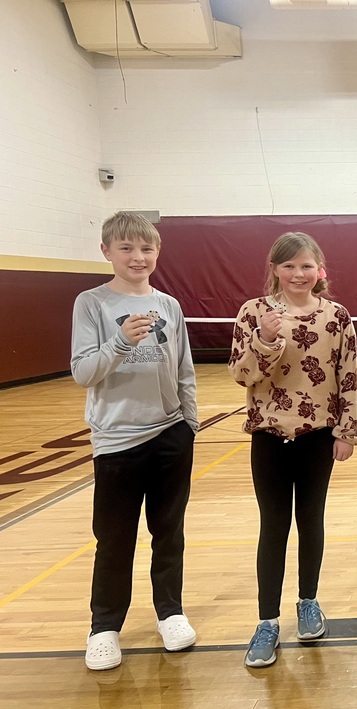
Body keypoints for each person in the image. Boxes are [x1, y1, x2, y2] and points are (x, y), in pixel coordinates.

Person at [71, 211, 199, 671]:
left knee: (168, 533)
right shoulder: (91, 303)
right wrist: (121, 342)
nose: (137, 257)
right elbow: (83, 371)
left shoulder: (169, 305)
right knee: (114, 538)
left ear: (157, 253)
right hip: (116, 440)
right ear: (106, 251)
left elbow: (184, 369)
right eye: (126, 248)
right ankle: (104, 627)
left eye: (146, 249)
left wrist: (189, 424)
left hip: (170, 435)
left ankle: (171, 613)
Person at [229, 232, 357, 667]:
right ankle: (267, 621)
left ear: (320, 269)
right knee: (273, 526)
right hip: (268, 436)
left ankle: (308, 601)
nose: (298, 274)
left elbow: (347, 375)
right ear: (275, 270)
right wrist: (264, 342)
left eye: (306, 266)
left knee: (311, 520)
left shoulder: (336, 316)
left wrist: (347, 431)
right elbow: (242, 375)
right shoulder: (254, 313)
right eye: (289, 266)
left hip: (317, 437)